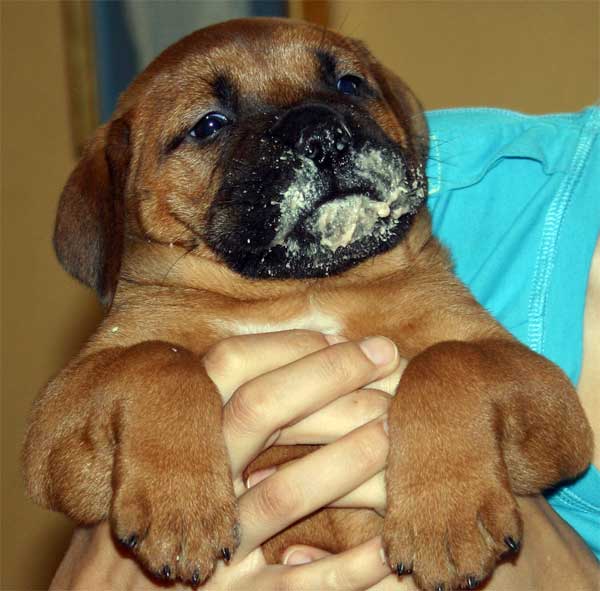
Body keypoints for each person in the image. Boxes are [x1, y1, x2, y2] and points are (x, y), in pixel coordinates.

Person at [48, 106, 600, 590]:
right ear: (118, 204)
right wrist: (156, 387)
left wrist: (453, 387)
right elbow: (59, 470)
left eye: (349, 85)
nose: (318, 131)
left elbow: (560, 441)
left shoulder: (410, 268)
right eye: (210, 125)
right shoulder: (165, 307)